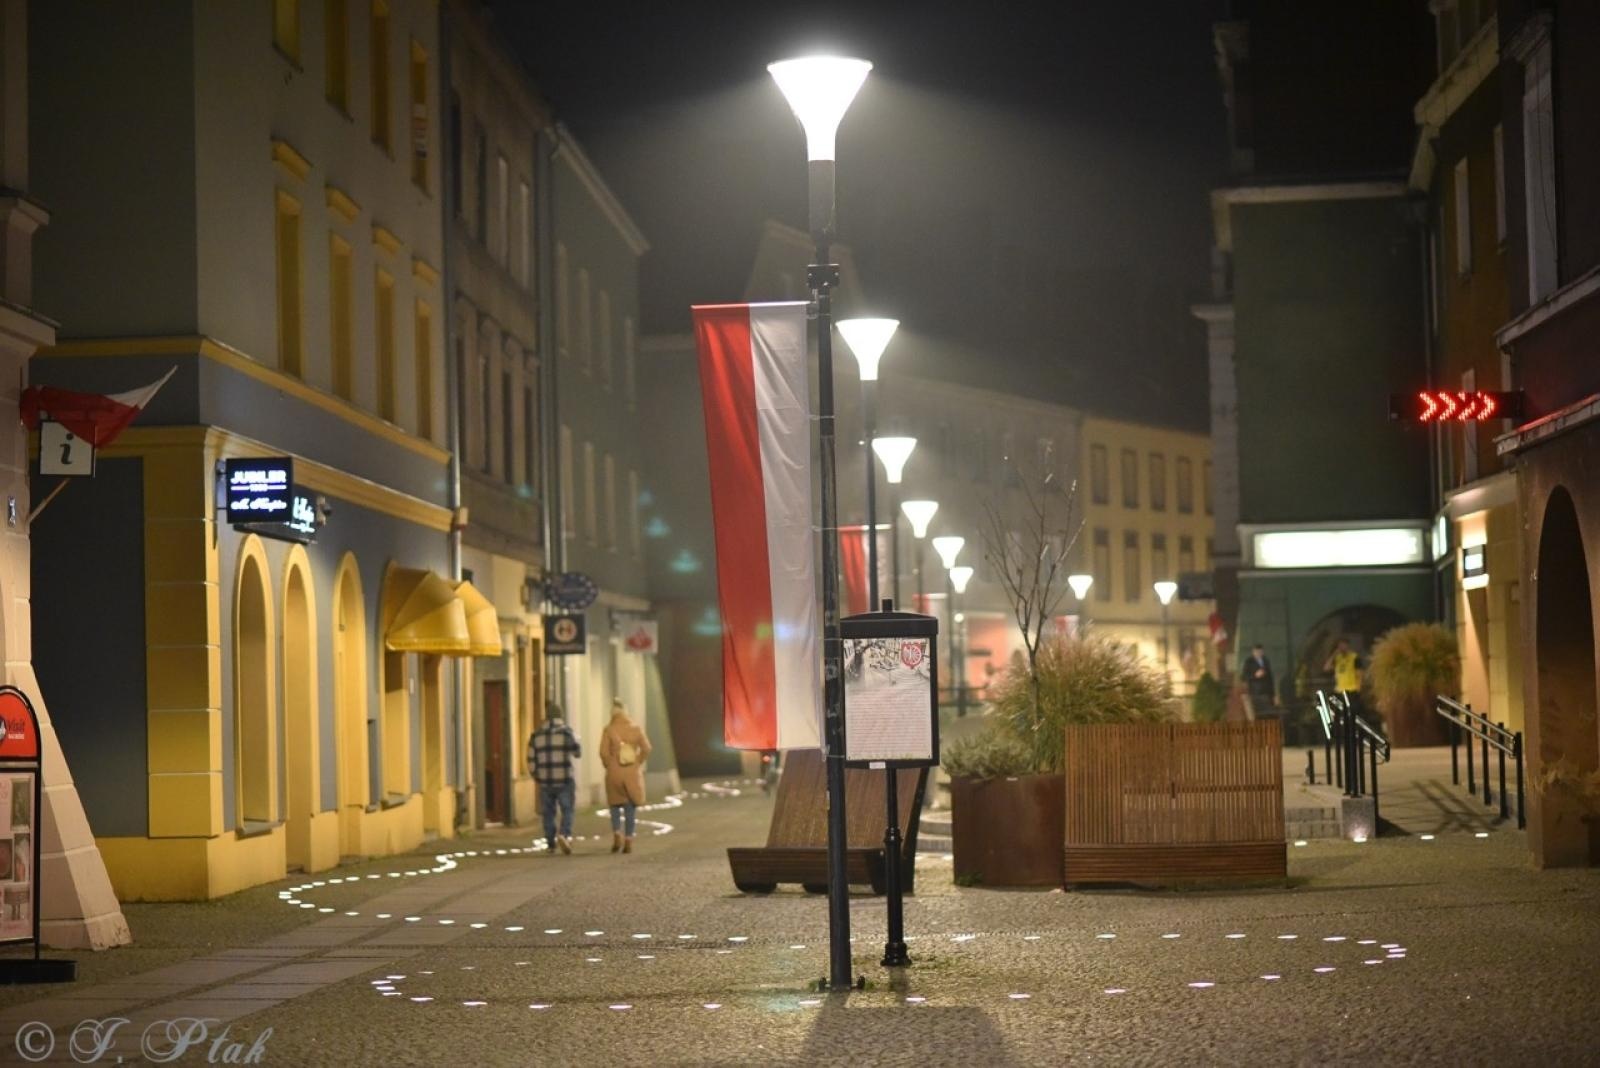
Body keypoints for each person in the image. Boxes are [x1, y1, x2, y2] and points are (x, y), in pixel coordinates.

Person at [599, 698, 652, 854]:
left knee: (615, 806)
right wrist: (638, 761)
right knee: (630, 807)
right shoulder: (635, 728)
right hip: (631, 773)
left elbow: (603, 752)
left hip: (614, 773)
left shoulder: (608, 730)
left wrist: (609, 764)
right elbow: (647, 748)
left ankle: (617, 832)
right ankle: (628, 839)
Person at [529, 704, 581, 855]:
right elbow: (577, 752)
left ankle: (550, 843)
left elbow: (531, 759)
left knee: (548, 812)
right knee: (567, 809)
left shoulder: (536, 735)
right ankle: (564, 834)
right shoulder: (567, 732)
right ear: (560, 715)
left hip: (545, 780)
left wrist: (536, 775)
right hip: (564, 778)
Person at [1324, 638, 1363, 710]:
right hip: (1339, 690)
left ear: (1347, 645)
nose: (1342, 647)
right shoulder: (1337, 658)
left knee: (1350, 710)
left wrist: (1358, 689)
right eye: (1340, 646)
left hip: (1351, 690)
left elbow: (1360, 674)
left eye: (1343, 645)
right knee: (1337, 708)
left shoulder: (1354, 657)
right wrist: (1334, 654)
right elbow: (1326, 668)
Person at [1241, 643, 1277, 720]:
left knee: (1269, 715)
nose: (1258, 653)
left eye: (1260, 652)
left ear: (1263, 652)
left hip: (1267, 693)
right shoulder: (1249, 662)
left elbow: (1270, 678)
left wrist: (1273, 694)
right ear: (1253, 652)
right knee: (1259, 715)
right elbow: (1244, 676)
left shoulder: (1266, 661)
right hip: (1256, 693)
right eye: (1256, 652)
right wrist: (1255, 675)